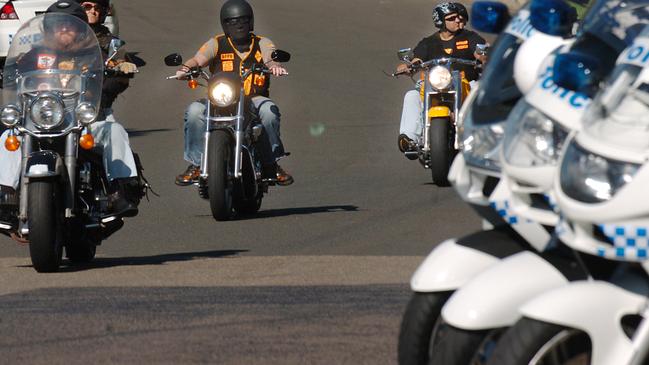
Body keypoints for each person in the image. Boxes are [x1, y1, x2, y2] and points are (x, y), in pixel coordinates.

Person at [0, 0, 142, 218]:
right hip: (40, 120)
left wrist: (119, 71)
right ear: (48, 28)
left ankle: (120, 190)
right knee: (8, 137)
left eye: (71, 25)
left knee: (115, 132)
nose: (64, 29)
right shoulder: (33, 55)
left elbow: (114, 73)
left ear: (80, 29)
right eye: (59, 25)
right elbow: (14, 73)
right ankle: (5, 191)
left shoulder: (94, 54)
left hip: (86, 121)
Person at [174, 0, 294, 186]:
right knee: (194, 111)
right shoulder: (217, 43)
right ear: (225, 24)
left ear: (251, 21)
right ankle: (196, 164)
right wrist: (185, 68)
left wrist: (274, 66)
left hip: (253, 99)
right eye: (232, 21)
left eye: (243, 20)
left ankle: (271, 163)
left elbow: (270, 57)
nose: (238, 25)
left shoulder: (262, 42)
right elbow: (198, 59)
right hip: (221, 99)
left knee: (269, 111)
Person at [396, 2, 487, 156]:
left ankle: (483, 137)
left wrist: (484, 58)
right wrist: (408, 66)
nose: (458, 21)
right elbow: (417, 59)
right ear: (440, 21)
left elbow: (481, 53)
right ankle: (410, 140)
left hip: (465, 82)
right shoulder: (429, 42)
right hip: (435, 83)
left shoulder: (470, 37)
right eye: (452, 18)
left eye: (460, 17)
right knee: (412, 96)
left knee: (481, 94)